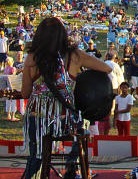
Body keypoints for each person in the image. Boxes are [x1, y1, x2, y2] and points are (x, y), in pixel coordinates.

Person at [21, 17, 112, 179]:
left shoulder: (31, 58)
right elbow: (106, 68)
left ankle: (33, 171)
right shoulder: (75, 56)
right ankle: (72, 166)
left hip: (37, 119)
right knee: (82, 125)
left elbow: (25, 94)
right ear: (63, 35)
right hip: (63, 120)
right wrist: (80, 77)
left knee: (34, 157)